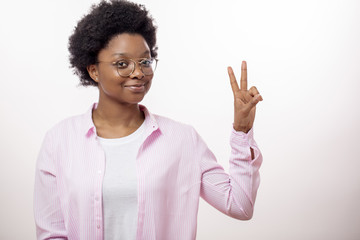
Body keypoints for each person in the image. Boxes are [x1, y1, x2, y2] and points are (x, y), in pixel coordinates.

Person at [33, 0, 263, 239]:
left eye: (145, 61)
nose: (138, 72)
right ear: (93, 70)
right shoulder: (59, 141)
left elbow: (240, 205)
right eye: (122, 64)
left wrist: (242, 129)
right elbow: (52, 234)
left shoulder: (182, 140)